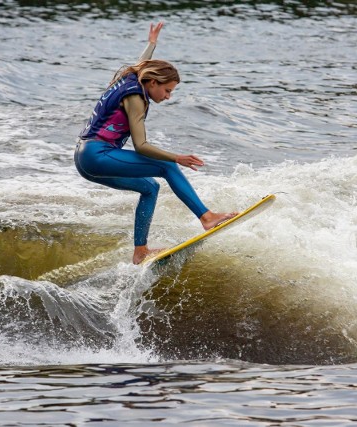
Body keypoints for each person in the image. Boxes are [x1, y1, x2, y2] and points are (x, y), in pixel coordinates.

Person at [75, 22, 237, 265]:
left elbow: (141, 64)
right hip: (98, 154)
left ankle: (140, 251)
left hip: (83, 157)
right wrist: (176, 157)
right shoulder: (136, 97)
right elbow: (141, 145)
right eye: (168, 90)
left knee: (150, 188)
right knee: (167, 167)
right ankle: (207, 217)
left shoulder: (132, 78)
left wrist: (152, 43)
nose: (168, 96)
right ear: (153, 83)